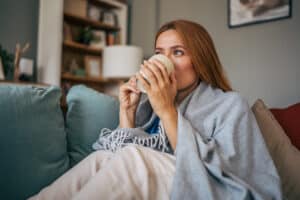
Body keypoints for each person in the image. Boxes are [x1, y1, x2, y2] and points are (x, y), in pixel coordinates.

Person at [29, 20, 281, 200]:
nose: (165, 61)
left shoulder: (229, 104)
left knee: (134, 157)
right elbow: (113, 159)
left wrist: (168, 111)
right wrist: (126, 117)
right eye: (160, 53)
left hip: (209, 188)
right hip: (156, 183)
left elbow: (231, 174)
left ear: (200, 61)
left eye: (178, 52)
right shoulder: (148, 106)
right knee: (100, 159)